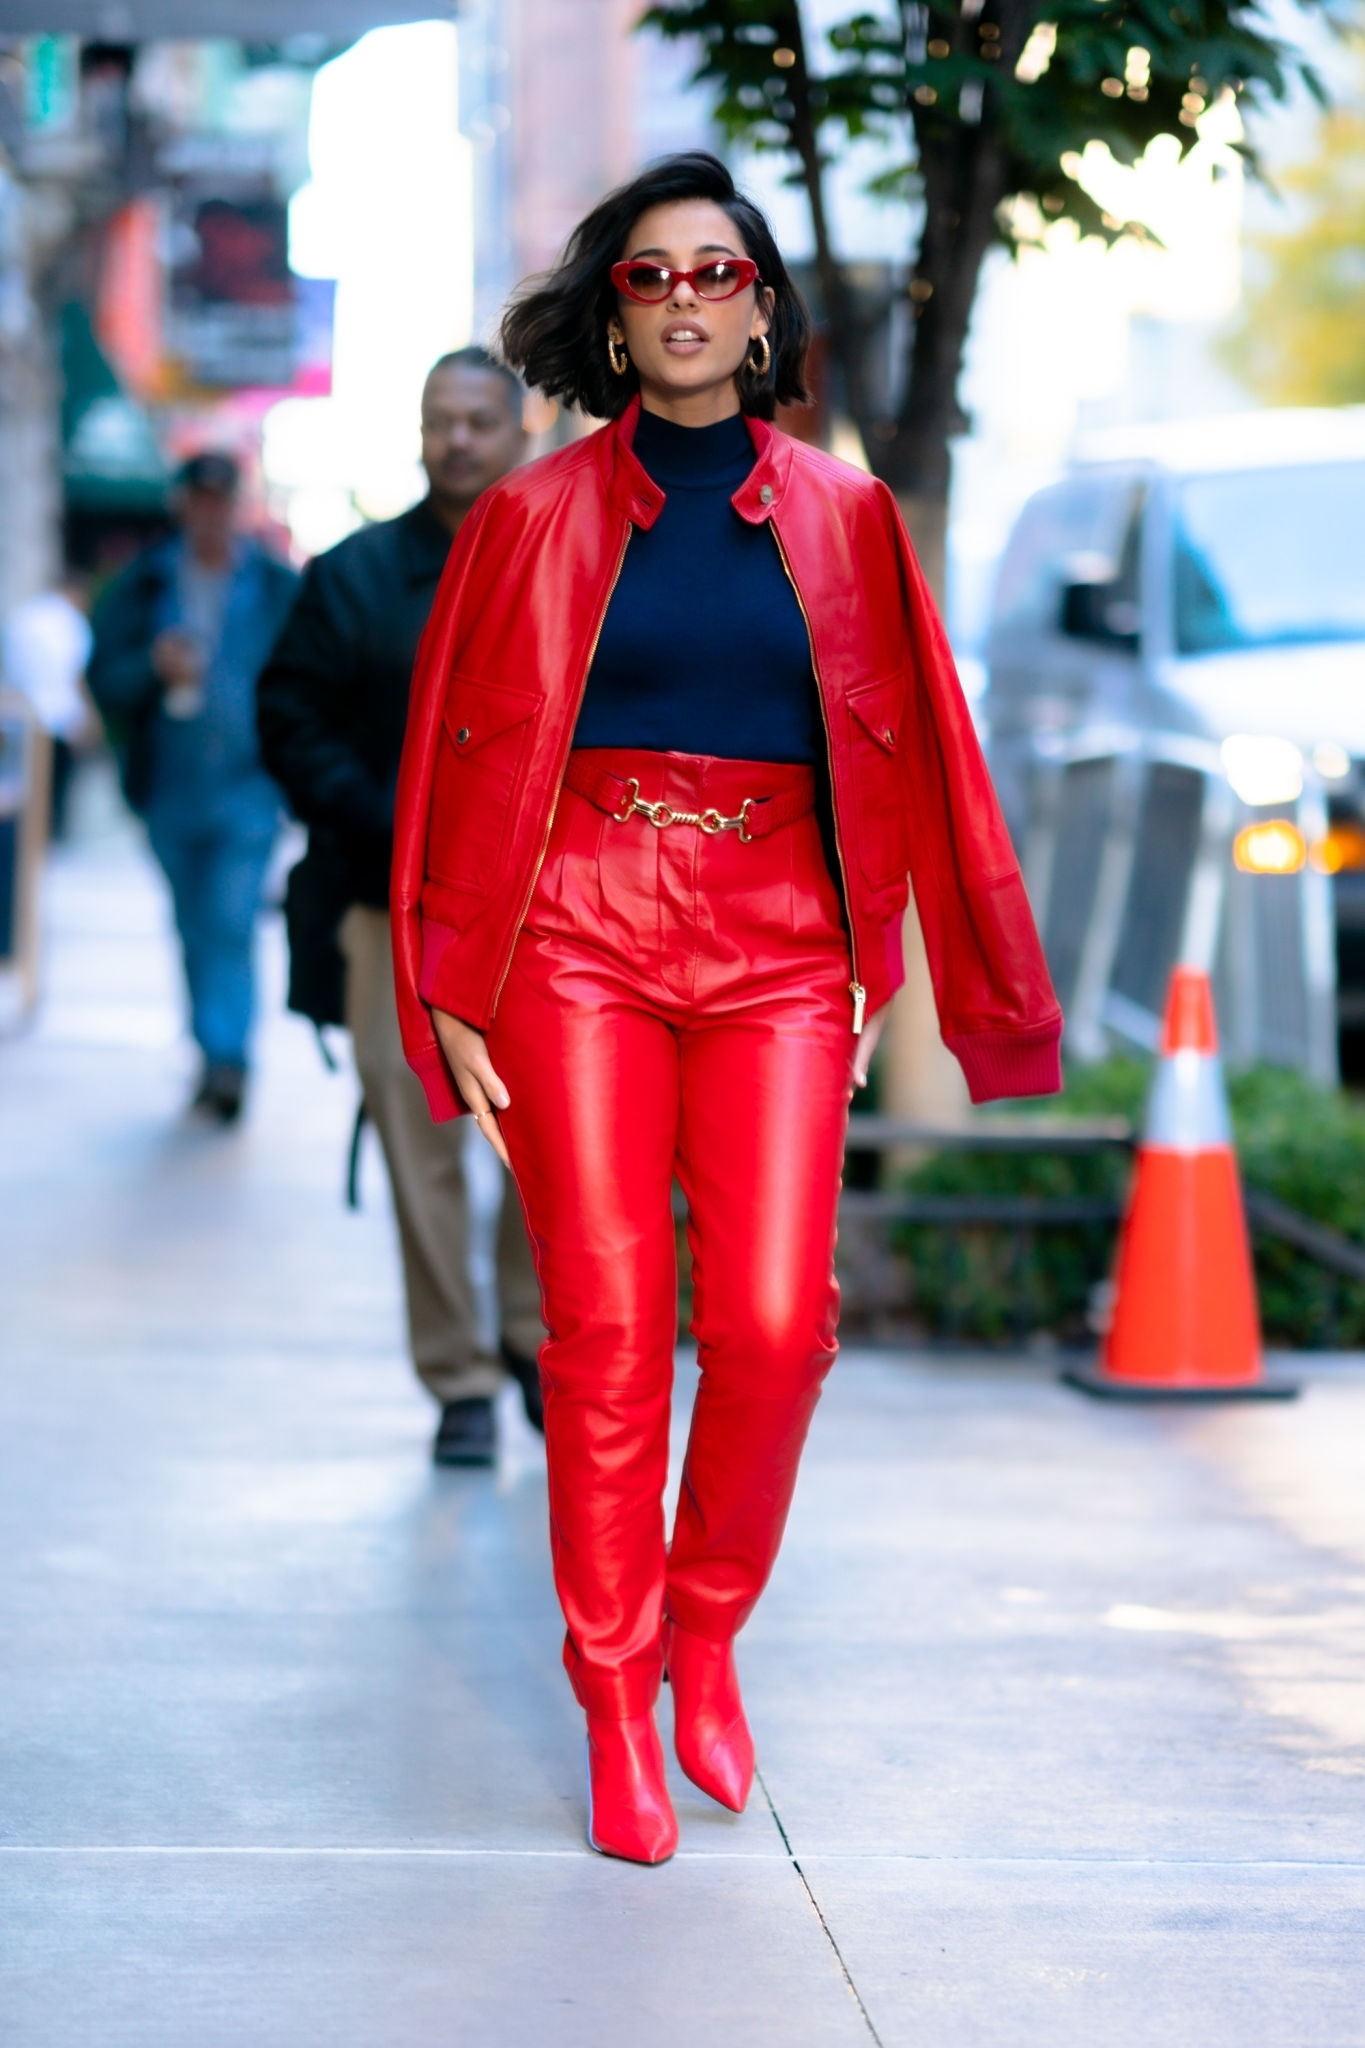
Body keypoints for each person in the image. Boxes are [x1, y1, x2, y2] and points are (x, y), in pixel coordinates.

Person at [392, 154, 1063, 1865]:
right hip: (579, 931)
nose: (682, 298)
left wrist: (897, 960)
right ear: (613, 325)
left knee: (774, 1321)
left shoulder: (847, 518)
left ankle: (706, 1625)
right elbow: (453, 766)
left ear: (763, 311)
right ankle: (615, 1695)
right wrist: (446, 976)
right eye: (646, 279)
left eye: (714, 272)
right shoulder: (529, 520)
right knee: (607, 1331)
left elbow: (923, 754)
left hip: (776, 938)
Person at [257, 349, 545, 1469]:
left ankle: (529, 1335)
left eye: (480, 420)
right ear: (421, 435)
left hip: (538, 915)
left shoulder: (566, 566)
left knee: (544, 1139)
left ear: (518, 430)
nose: (460, 440)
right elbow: (288, 716)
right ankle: (460, 1376)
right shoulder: (352, 577)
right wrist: (388, 817)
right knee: (417, 1141)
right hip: (389, 905)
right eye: (442, 422)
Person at [88, 453, 297, 1122]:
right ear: (182, 504)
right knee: (192, 923)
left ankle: (228, 1058)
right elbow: (103, 680)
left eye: (221, 499)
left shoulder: (273, 584)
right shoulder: (145, 584)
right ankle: (211, 1050)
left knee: (231, 920)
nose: (210, 512)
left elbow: (308, 678)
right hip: (170, 787)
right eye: (199, 499)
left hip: (250, 788)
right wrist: (151, 669)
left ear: (236, 504)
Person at [0, 573, 96, 841]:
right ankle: (48, 842)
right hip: (60, 718)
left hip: (21, 715)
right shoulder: (69, 621)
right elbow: (74, 674)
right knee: (56, 792)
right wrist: (88, 717)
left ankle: (29, 845)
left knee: (25, 790)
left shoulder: (24, 616)